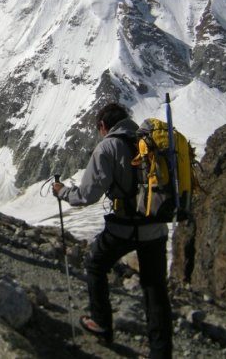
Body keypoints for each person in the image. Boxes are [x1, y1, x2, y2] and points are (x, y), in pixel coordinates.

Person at [52, 102, 172, 358]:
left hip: (126, 227)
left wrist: (62, 192)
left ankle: (102, 324)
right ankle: (161, 353)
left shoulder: (108, 146)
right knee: (155, 289)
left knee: (95, 264)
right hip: (157, 227)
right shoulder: (148, 141)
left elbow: (87, 195)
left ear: (103, 126)